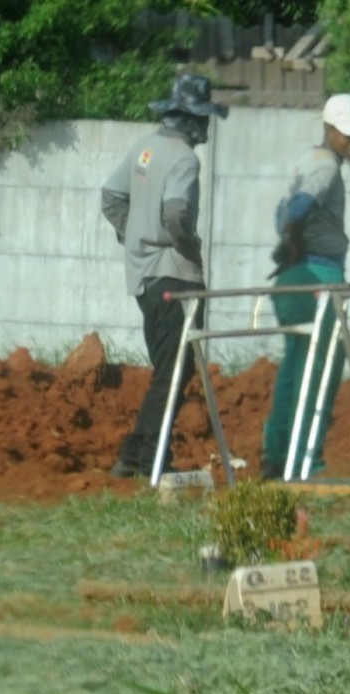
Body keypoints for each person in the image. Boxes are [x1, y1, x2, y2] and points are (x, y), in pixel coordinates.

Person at [100, 73, 229, 479]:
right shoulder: (185, 159)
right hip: (175, 276)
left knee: (168, 369)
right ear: (192, 118)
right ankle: (149, 457)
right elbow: (176, 213)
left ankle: (138, 453)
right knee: (175, 371)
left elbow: (111, 196)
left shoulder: (145, 149)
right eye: (204, 118)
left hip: (143, 278)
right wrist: (187, 247)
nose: (207, 127)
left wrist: (132, 235)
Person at [260, 93, 350, 481]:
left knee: (294, 369)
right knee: (322, 371)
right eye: (347, 134)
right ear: (328, 129)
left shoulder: (307, 160)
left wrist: (288, 241)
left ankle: (277, 456)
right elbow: (295, 212)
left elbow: (281, 210)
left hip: (292, 278)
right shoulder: (327, 168)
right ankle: (308, 462)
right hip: (318, 276)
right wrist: (292, 238)